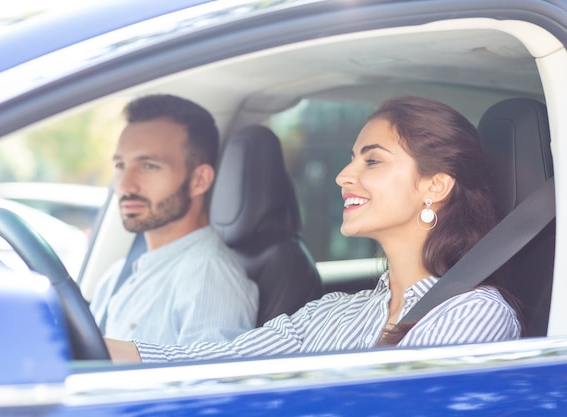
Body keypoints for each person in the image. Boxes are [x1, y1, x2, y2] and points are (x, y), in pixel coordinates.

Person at [106, 96, 521, 363]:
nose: (343, 175)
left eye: (371, 161)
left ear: (436, 185)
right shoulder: (334, 311)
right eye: (351, 159)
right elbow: (220, 361)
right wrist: (92, 350)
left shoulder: (475, 314)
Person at [90, 94, 258, 345]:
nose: (125, 185)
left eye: (149, 166)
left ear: (199, 180)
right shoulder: (118, 274)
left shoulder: (208, 278)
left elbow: (210, 382)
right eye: (121, 166)